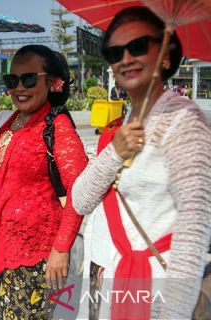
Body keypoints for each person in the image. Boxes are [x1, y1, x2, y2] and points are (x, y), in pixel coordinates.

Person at [71, 7, 211, 319]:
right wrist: (114, 152)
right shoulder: (127, 123)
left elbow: (194, 225)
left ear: (165, 55)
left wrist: (173, 312)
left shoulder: (183, 121)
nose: (125, 59)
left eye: (137, 46)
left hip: (160, 286)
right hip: (114, 274)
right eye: (114, 52)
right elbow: (80, 199)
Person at [0, 46, 88, 319]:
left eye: (30, 79)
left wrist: (61, 249)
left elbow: (80, 193)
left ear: (54, 82)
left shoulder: (58, 127)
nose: (19, 87)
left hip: (36, 259)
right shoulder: (8, 121)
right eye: (12, 80)